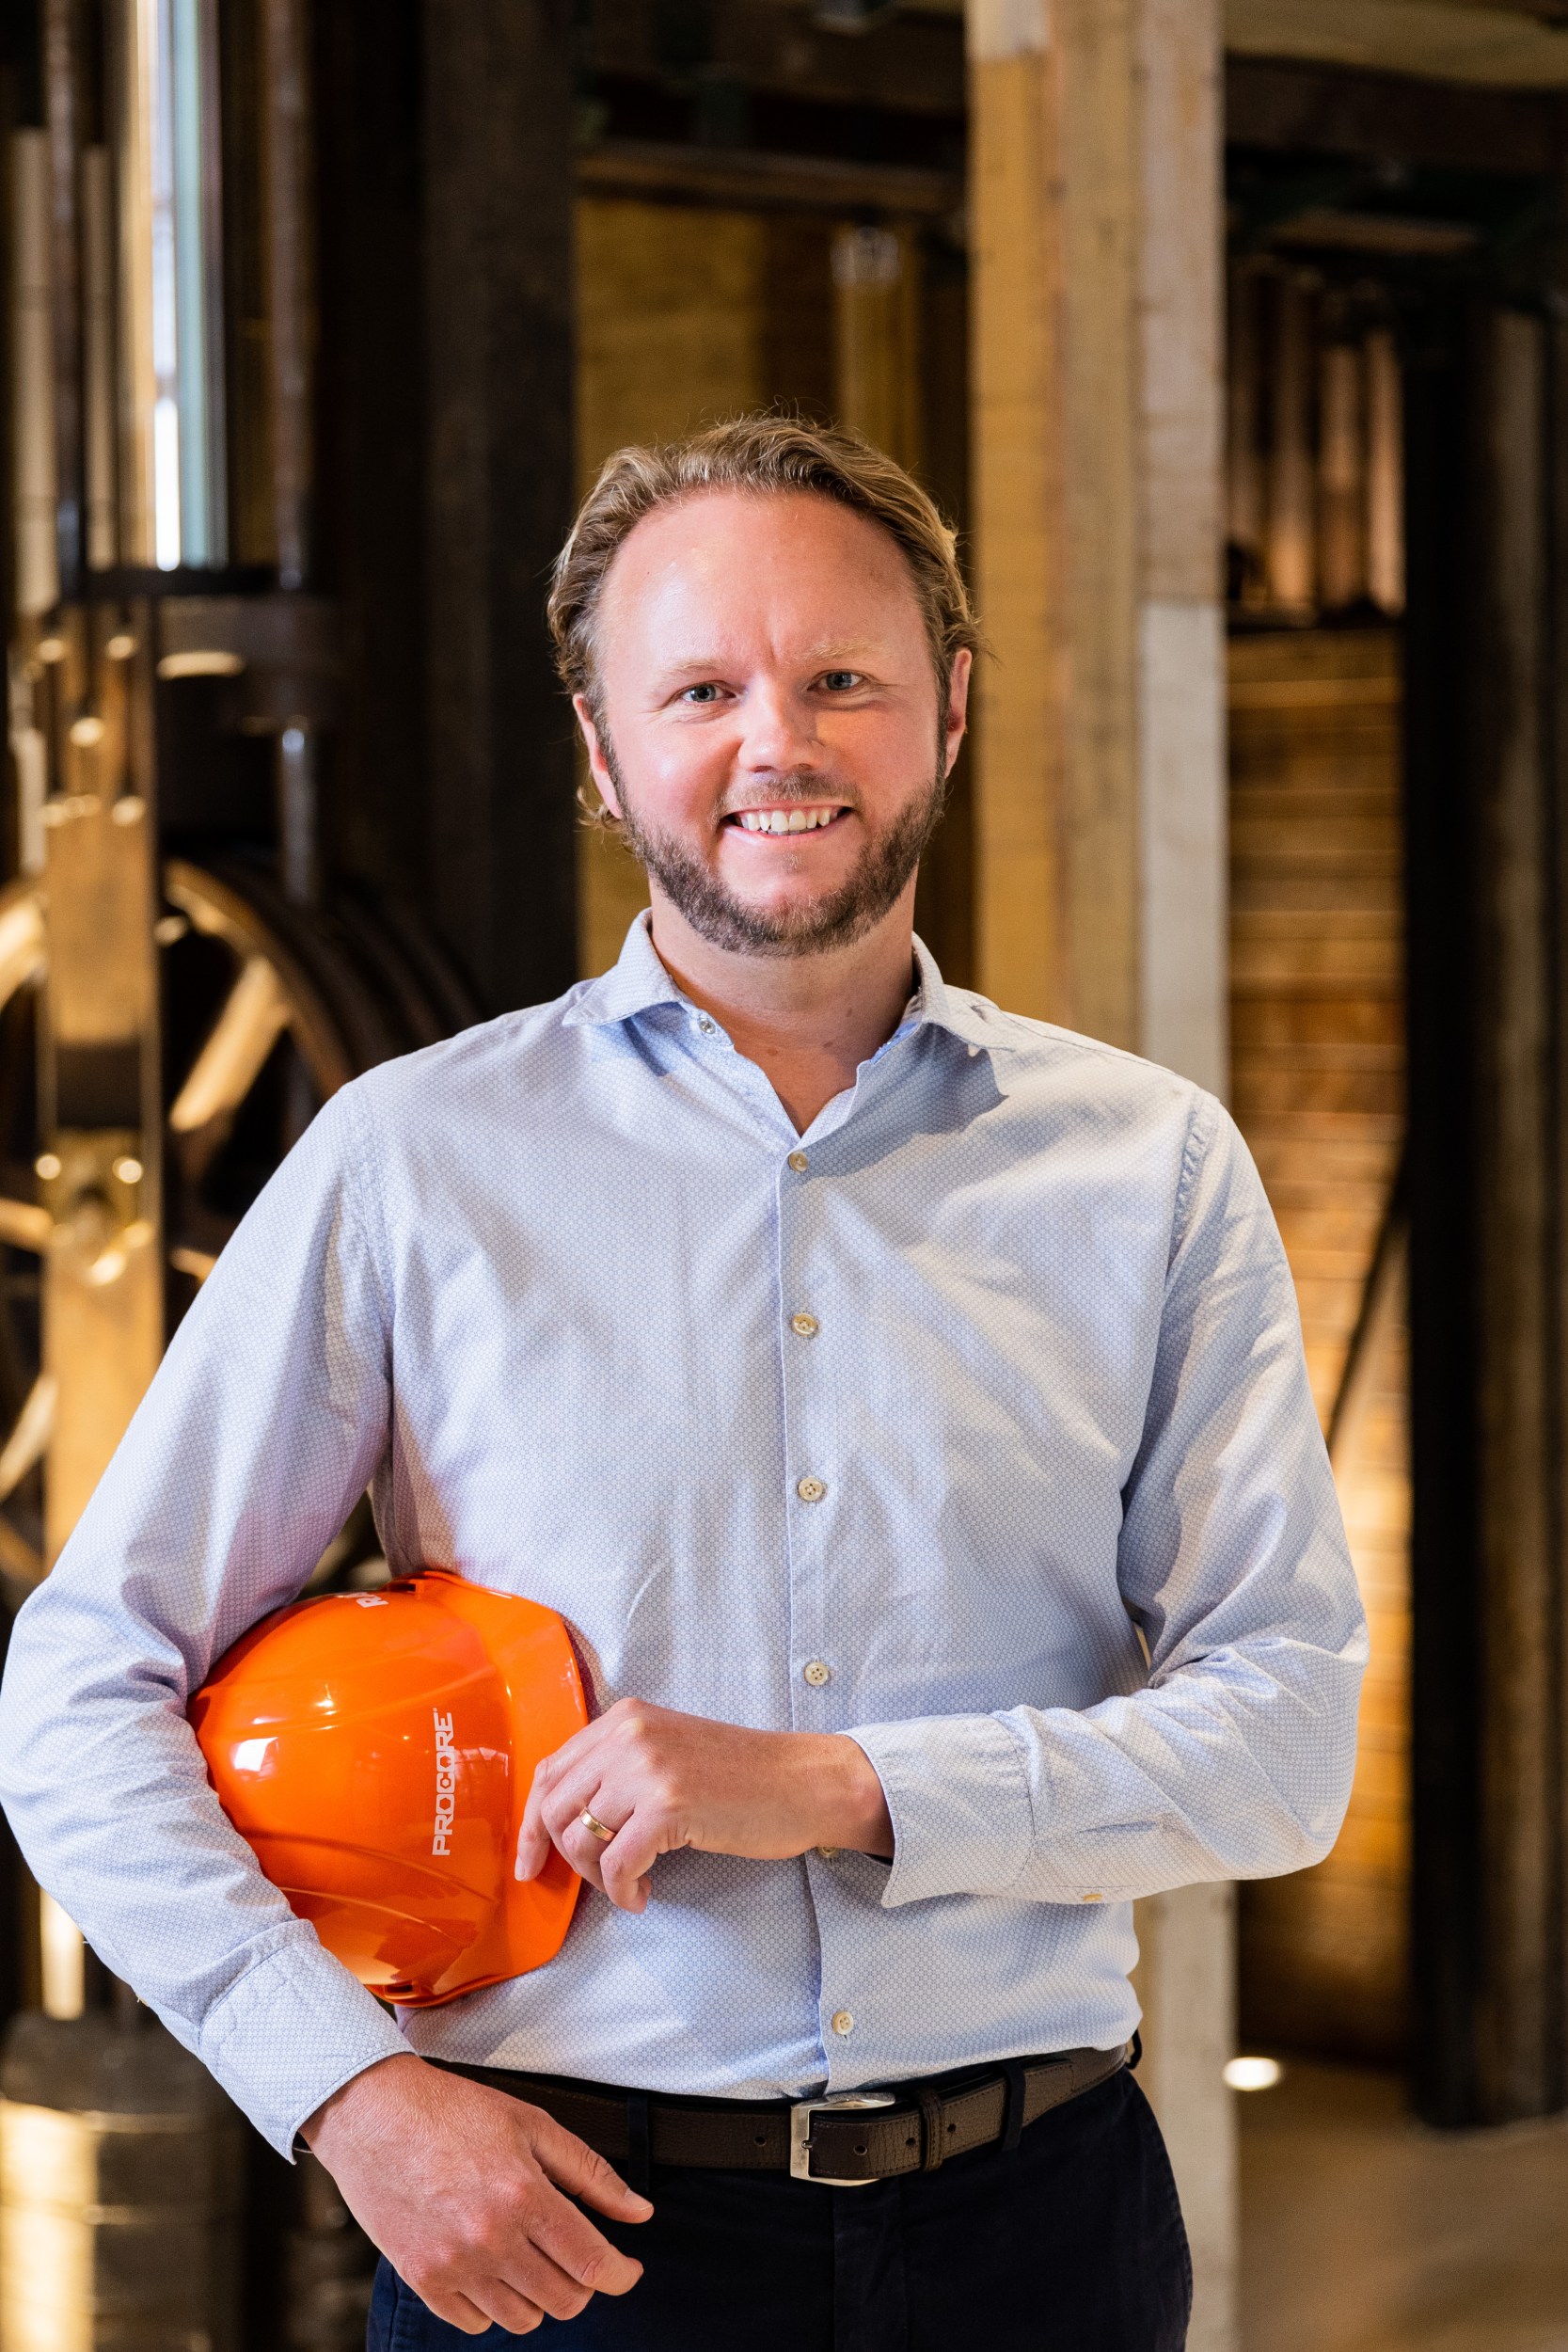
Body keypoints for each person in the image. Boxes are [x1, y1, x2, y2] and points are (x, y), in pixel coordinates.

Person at [0, 416, 1366, 2351]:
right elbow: (80, 1686)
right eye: (703, 687)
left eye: (841, 680)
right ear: (599, 744)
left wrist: (829, 1786)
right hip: (562, 2243)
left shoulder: (1149, 1167)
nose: (777, 744)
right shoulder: (417, 1162)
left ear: (950, 707)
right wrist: (349, 2093)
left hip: (1039, 2234)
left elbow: (1285, 1733)